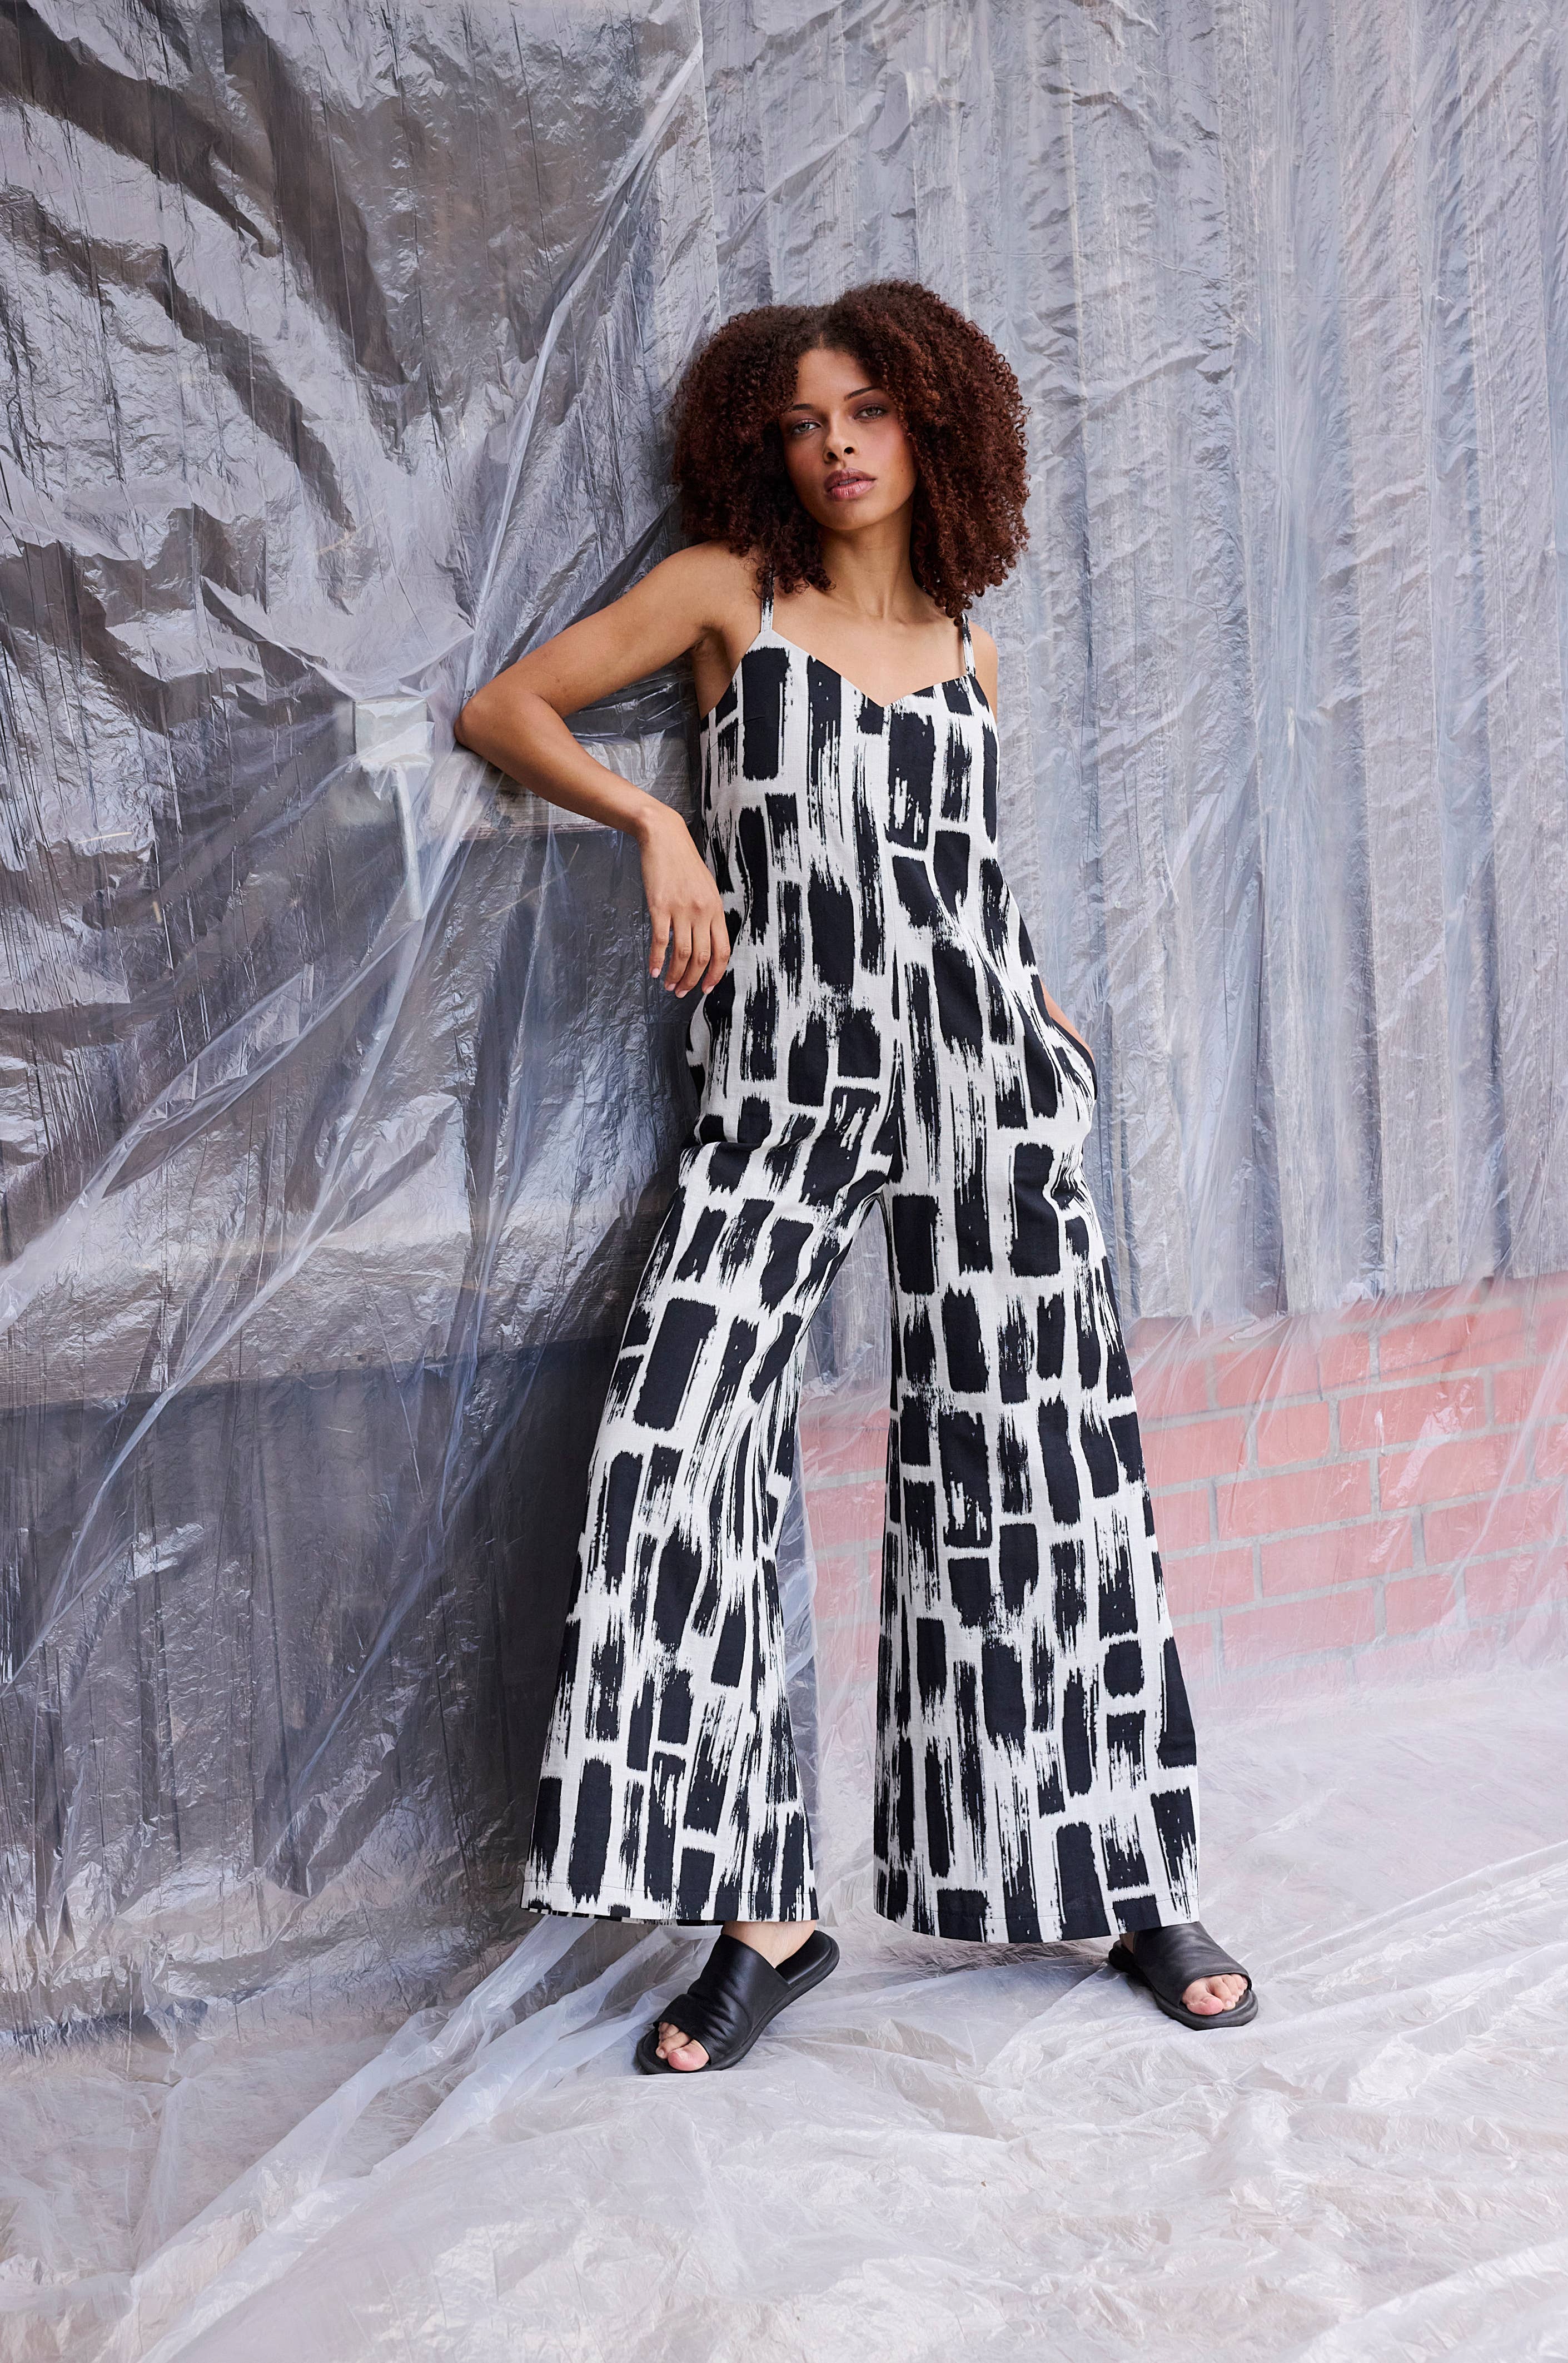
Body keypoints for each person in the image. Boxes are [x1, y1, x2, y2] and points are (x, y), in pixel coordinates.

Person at [456, 281, 1256, 2075]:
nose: (838, 445)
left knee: (1041, 1473)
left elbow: (963, 873)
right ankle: (765, 1909)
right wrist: (656, 821)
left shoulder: (971, 650)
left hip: (988, 1086)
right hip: (785, 1086)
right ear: (767, 445)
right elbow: (506, 709)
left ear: (931, 424)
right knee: (677, 1431)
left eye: (870, 411)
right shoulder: (724, 598)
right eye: (807, 420)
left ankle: (1125, 1877)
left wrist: (1030, 1000)